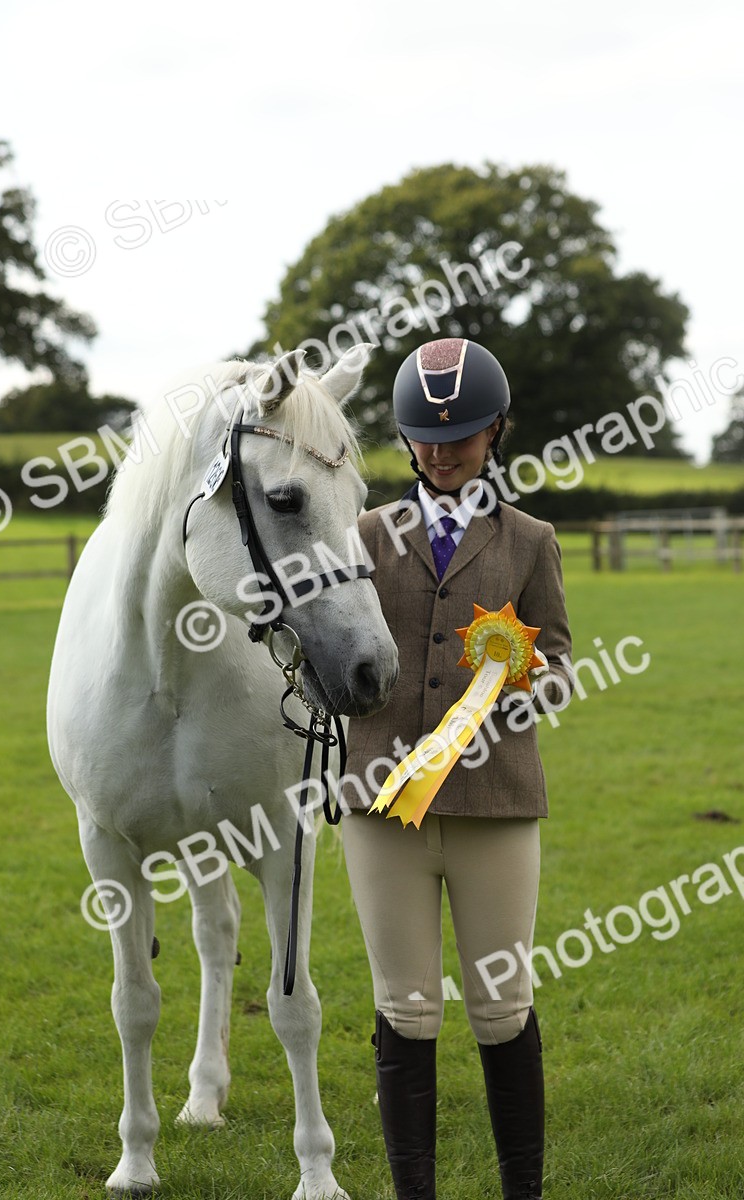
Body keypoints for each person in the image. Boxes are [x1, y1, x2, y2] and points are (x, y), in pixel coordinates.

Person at [342, 337, 574, 1200]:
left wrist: (525, 676)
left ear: (496, 432)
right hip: (380, 802)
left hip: (495, 802)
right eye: (426, 437)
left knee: (502, 1008)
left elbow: (560, 656)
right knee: (405, 1008)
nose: (443, 452)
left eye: (463, 435)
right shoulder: (359, 534)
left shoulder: (531, 540)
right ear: (405, 440)